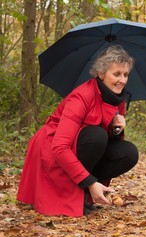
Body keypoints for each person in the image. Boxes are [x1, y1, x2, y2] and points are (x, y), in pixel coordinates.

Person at [17, 45, 139, 217]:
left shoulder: (117, 97)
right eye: (117, 74)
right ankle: (81, 190)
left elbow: (110, 140)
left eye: (126, 74)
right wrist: (89, 181)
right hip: (52, 146)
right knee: (97, 136)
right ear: (101, 74)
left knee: (128, 152)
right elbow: (59, 147)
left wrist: (117, 129)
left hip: (84, 146)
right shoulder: (81, 96)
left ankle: (86, 194)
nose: (122, 80)